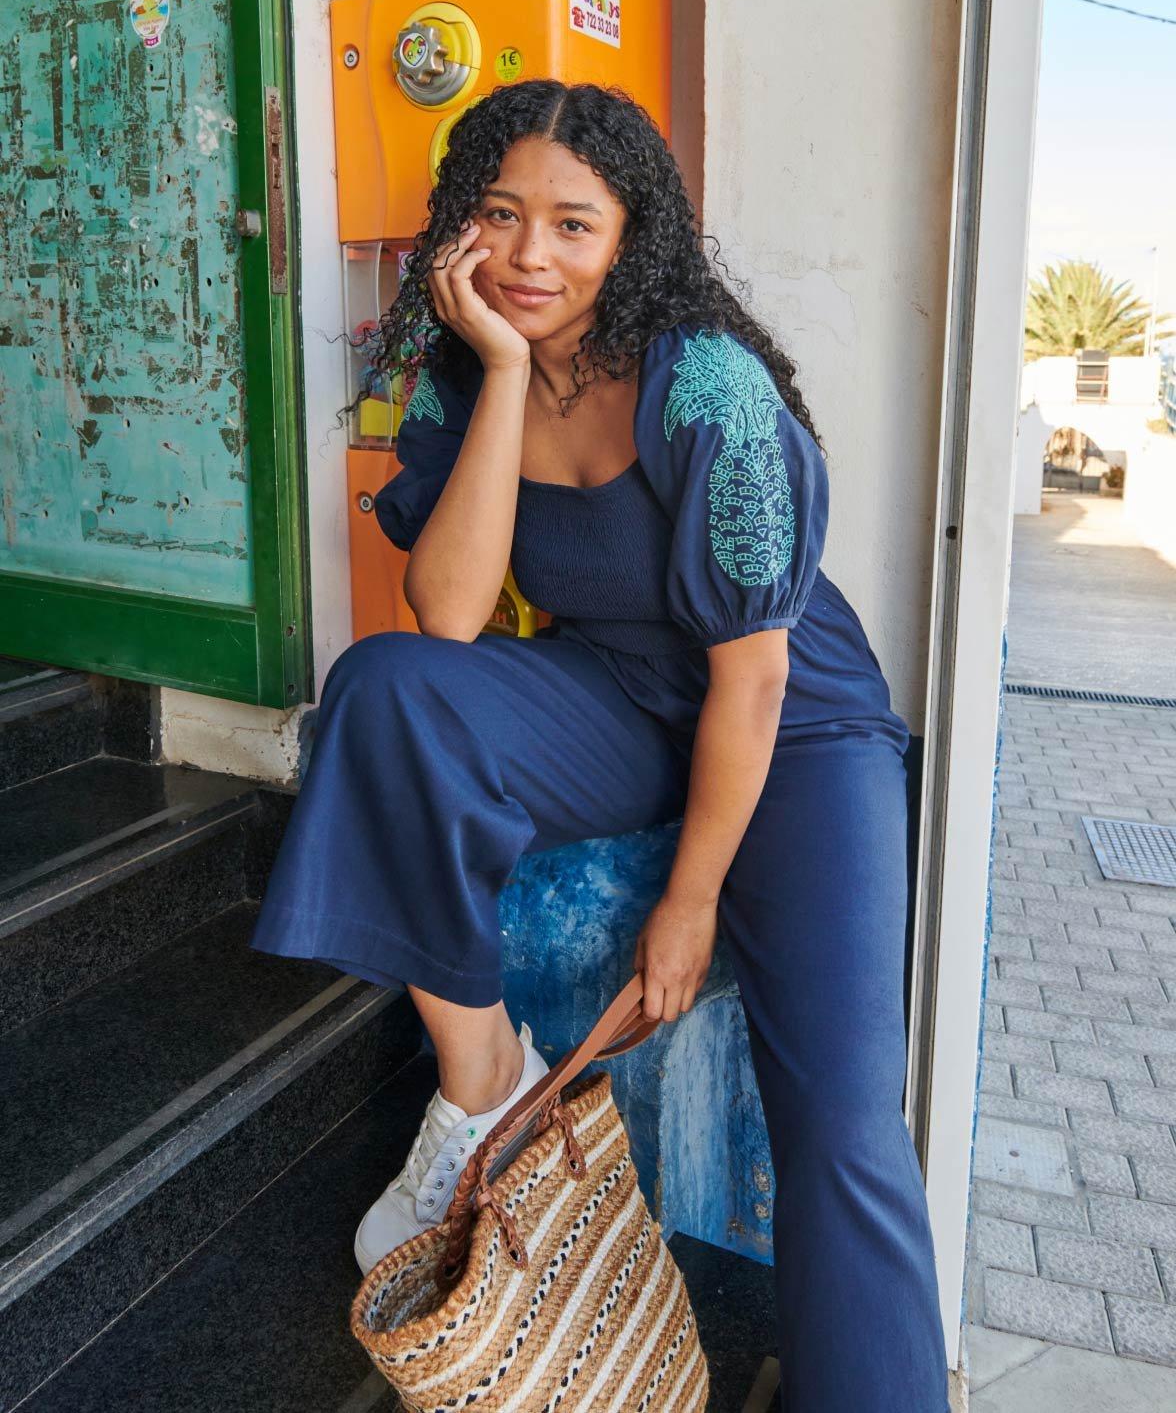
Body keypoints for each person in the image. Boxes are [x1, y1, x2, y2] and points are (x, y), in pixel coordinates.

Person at [251, 80, 950, 1410]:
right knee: (386, 690)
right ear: (459, 225)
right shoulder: (464, 375)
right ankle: (484, 1085)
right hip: (619, 697)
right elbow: (446, 615)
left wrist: (689, 905)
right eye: (501, 215)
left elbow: (753, 679)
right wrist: (505, 373)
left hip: (796, 727)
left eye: (574, 223)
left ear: (634, 239)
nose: (529, 254)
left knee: (846, 1119)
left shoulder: (716, 391)